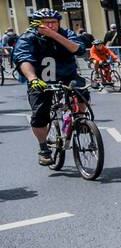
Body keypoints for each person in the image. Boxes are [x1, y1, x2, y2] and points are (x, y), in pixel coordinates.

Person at [13, 9, 88, 166]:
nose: (50, 25)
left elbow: (79, 50)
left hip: (67, 75)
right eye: (46, 23)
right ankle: (43, 149)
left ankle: (81, 120)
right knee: (40, 113)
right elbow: (23, 59)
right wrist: (32, 79)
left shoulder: (66, 33)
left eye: (54, 22)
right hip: (41, 79)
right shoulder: (28, 38)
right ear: (36, 24)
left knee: (82, 91)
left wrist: (54, 35)